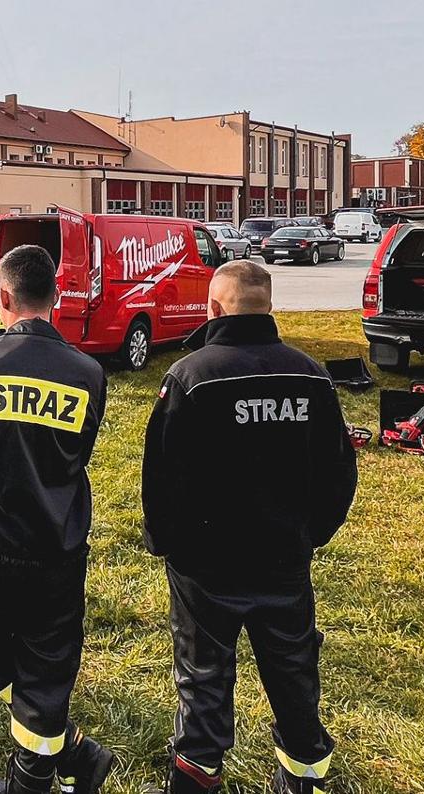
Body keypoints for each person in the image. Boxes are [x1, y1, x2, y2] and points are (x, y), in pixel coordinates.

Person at [140, 260, 358, 794]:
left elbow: (161, 476)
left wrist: (170, 544)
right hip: (284, 558)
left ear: (213, 308)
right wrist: (308, 534)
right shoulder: (310, 374)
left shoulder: (190, 376)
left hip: (206, 566)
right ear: (268, 306)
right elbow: (339, 473)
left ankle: (197, 775)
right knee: (294, 676)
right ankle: (303, 772)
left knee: (203, 681)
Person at [0, 245, 115, 794]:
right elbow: (79, 447)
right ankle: (74, 752)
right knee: (31, 662)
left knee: (3, 656)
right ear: (56, 299)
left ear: (2, 297)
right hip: (46, 544)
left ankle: (31, 779)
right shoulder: (88, 372)